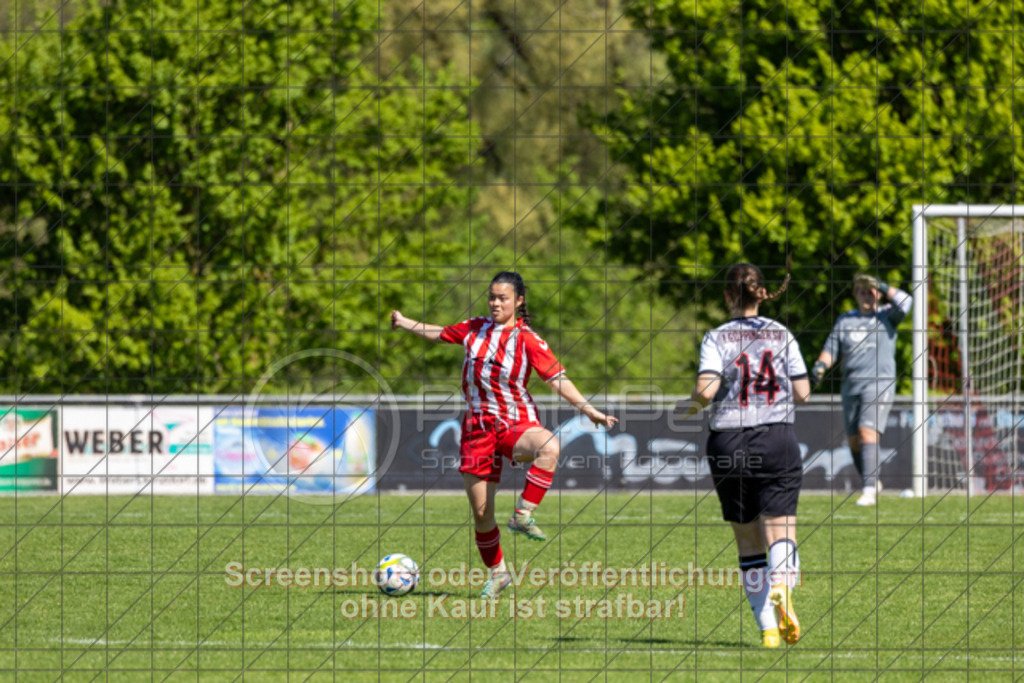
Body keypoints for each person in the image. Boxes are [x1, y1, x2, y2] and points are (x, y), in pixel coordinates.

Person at [391, 271, 618, 600]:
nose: (495, 303)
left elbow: (557, 379)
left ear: (519, 301)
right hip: (477, 428)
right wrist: (403, 322)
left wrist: (589, 410)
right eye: (492, 297)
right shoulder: (475, 328)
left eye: (503, 298)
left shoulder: (527, 339)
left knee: (548, 447)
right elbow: (439, 333)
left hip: (514, 421)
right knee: (482, 515)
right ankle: (498, 574)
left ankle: (522, 515)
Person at [681, 263, 810, 647]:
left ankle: (768, 629)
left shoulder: (717, 336)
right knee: (781, 530)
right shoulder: (782, 333)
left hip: (728, 441)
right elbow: (803, 393)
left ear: (727, 296)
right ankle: (782, 585)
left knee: (747, 540)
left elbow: (706, 391)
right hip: (776, 437)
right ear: (761, 293)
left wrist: (689, 406)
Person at [809, 273, 913, 507]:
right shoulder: (845, 321)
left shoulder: (887, 315)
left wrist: (882, 285)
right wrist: (820, 366)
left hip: (878, 382)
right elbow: (830, 350)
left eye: (871, 292)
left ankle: (868, 490)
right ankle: (872, 481)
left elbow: (907, 301)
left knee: (868, 431)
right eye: (862, 291)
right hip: (851, 386)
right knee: (854, 441)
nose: (867, 296)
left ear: (878, 294)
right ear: (855, 294)